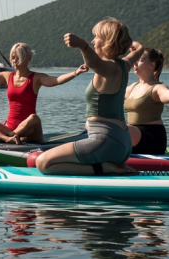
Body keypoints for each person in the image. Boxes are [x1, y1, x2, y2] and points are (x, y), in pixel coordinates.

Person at [35, 17, 143, 175]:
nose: (93, 41)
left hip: (105, 141)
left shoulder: (108, 69)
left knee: (43, 163)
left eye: (97, 37)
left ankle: (104, 168)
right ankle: (106, 164)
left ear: (107, 42)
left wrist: (82, 45)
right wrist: (131, 44)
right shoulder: (124, 65)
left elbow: (93, 63)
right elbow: (138, 50)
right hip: (123, 142)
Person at [0, 42, 88, 144]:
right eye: (13, 58)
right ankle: (7, 138)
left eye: (18, 58)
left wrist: (76, 72)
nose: (14, 61)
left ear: (28, 58)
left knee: (33, 118)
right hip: (9, 127)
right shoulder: (8, 76)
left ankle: (3, 138)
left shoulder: (36, 78)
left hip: (30, 131)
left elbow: (57, 80)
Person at [125, 48, 169, 155]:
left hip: (151, 137)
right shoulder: (132, 87)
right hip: (133, 136)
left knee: (119, 128)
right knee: (96, 124)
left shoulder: (157, 88)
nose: (135, 63)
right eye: (135, 59)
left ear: (152, 65)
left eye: (140, 60)